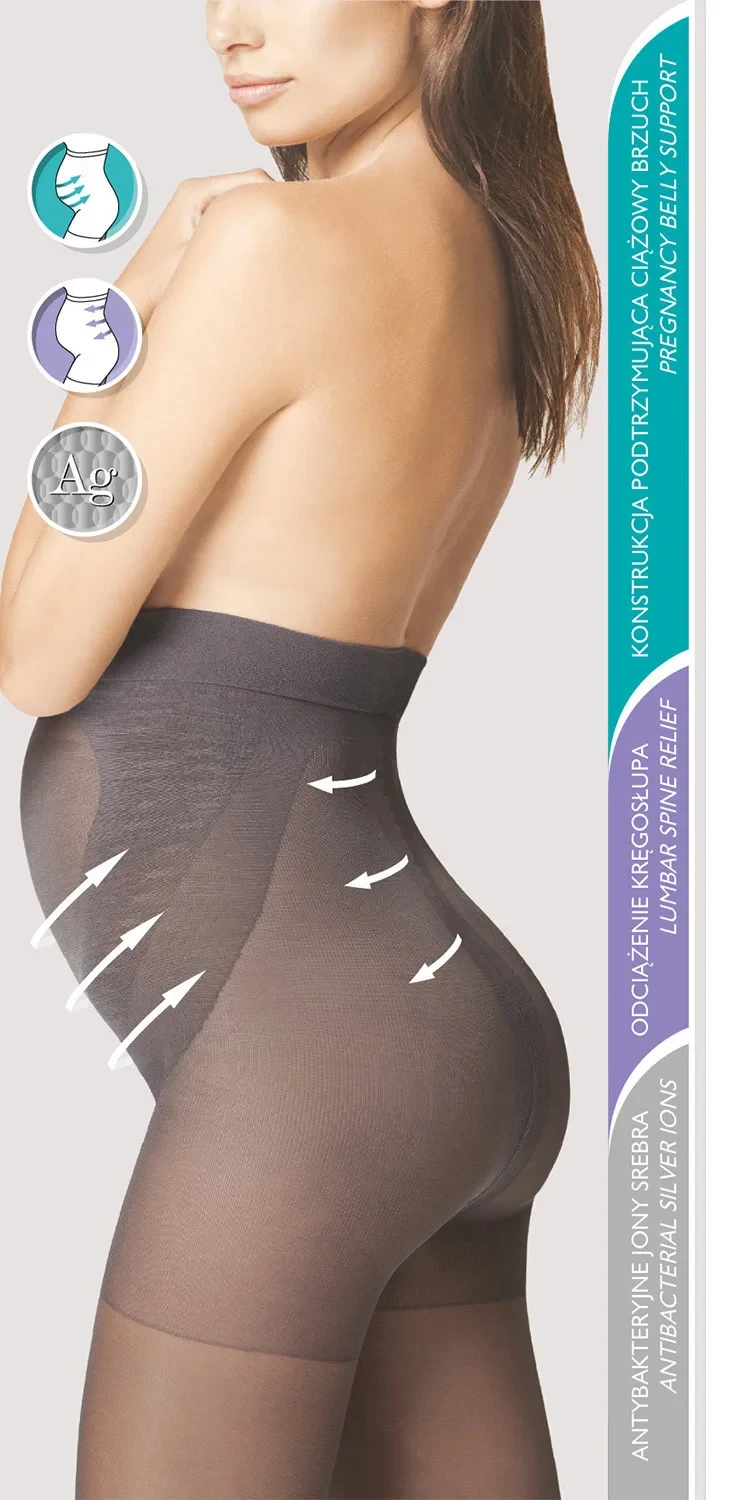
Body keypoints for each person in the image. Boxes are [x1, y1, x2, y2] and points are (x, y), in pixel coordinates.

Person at [1, 3, 600, 1496]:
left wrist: (133, 303)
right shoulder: (502, 272)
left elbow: (34, 649)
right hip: (438, 1034)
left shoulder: (274, 248)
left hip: (313, 1064)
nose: (232, 25)